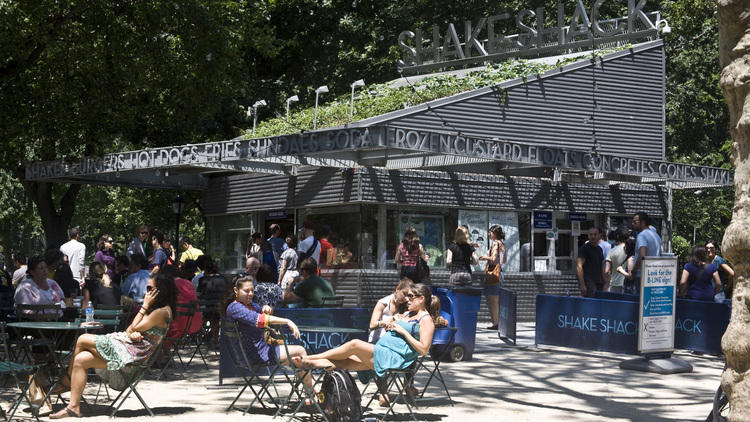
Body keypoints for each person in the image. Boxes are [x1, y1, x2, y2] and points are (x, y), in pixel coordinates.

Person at [48, 270, 176, 419]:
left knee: (83, 339)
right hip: (130, 347)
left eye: (150, 289)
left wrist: (144, 306)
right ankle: (73, 407)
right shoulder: (156, 309)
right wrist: (135, 331)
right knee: (80, 359)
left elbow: (133, 327)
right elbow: (130, 330)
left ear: (162, 291)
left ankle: (66, 381)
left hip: (134, 355)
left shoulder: (162, 311)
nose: (146, 293)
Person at [296, 283, 438, 406]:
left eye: (411, 296)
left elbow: (423, 350)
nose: (407, 299)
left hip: (395, 358)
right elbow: (391, 324)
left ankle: (313, 357)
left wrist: (403, 332)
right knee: (344, 363)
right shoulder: (408, 314)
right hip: (383, 351)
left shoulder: (426, 320)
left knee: (355, 344)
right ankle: (307, 363)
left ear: (421, 299)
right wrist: (391, 323)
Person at [222, 276, 314, 395]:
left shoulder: (250, 305)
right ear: (236, 290)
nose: (250, 294)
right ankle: (311, 392)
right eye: (246, 291)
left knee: (297, 360)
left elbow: (266, 312)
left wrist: (268, 308)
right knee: (300, 351)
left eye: (252, 290)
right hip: (254, 355)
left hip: (258, 351)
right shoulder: (235, 308)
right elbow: (260, 320)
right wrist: (287, 321)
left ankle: (310, 389)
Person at [369, 278, 413, 344]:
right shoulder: (383, 303)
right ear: (397, 289)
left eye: (409, 296)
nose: (406, 299)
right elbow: (372, 325)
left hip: (394, 342)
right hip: (377, 341)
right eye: (404, 294)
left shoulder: (406, 306)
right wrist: (386, 322)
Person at [479, 225, 506, 330]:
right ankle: (497, 323)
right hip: (500, 273)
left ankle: (496, 324)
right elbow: (504, 261)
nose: (489, 234)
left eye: (490, 232)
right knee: (496, 300)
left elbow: (494, 258)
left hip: (494, 274)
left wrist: (485, 257)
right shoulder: (502, 244)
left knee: (494, 301)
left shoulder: (495, 244)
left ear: (495, 234)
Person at [631, 212, 662, 290]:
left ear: (643, 223)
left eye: (635, 222)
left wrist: (634, 270)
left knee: (639, 300)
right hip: (654, 275)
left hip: (642, 275)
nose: (632, 224)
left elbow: (642, 256)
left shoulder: (642, 235)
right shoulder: (656, 235)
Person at [577, 227, 604, 297]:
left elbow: (601, 266)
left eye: (595, 234)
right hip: (588, 283)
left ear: (599, 235)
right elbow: (579, 266)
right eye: (591, 234)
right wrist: (582, 285)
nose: (593, 236)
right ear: (588, 236)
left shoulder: (599, 249)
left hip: (599, 282)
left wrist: (605, 281)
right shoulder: (584, 248)